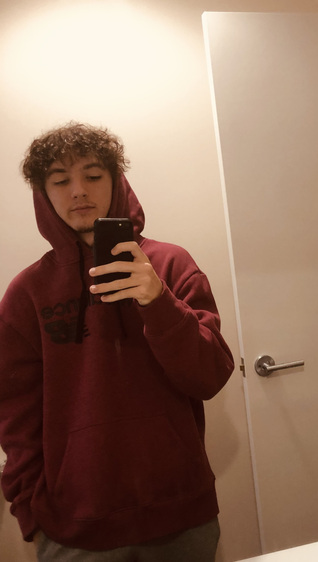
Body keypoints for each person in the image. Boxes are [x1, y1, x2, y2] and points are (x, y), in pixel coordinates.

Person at [0, 122, 235, 561]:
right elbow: (16, 416)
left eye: (92, 175)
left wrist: (158, 301)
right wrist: (30, 511)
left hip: (181, 515)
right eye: (60, 180)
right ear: (43, 193)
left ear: (116, 180)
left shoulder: (170, 264)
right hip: (74, 529)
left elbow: (210, 376)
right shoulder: (26, 294)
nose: (78, 191)